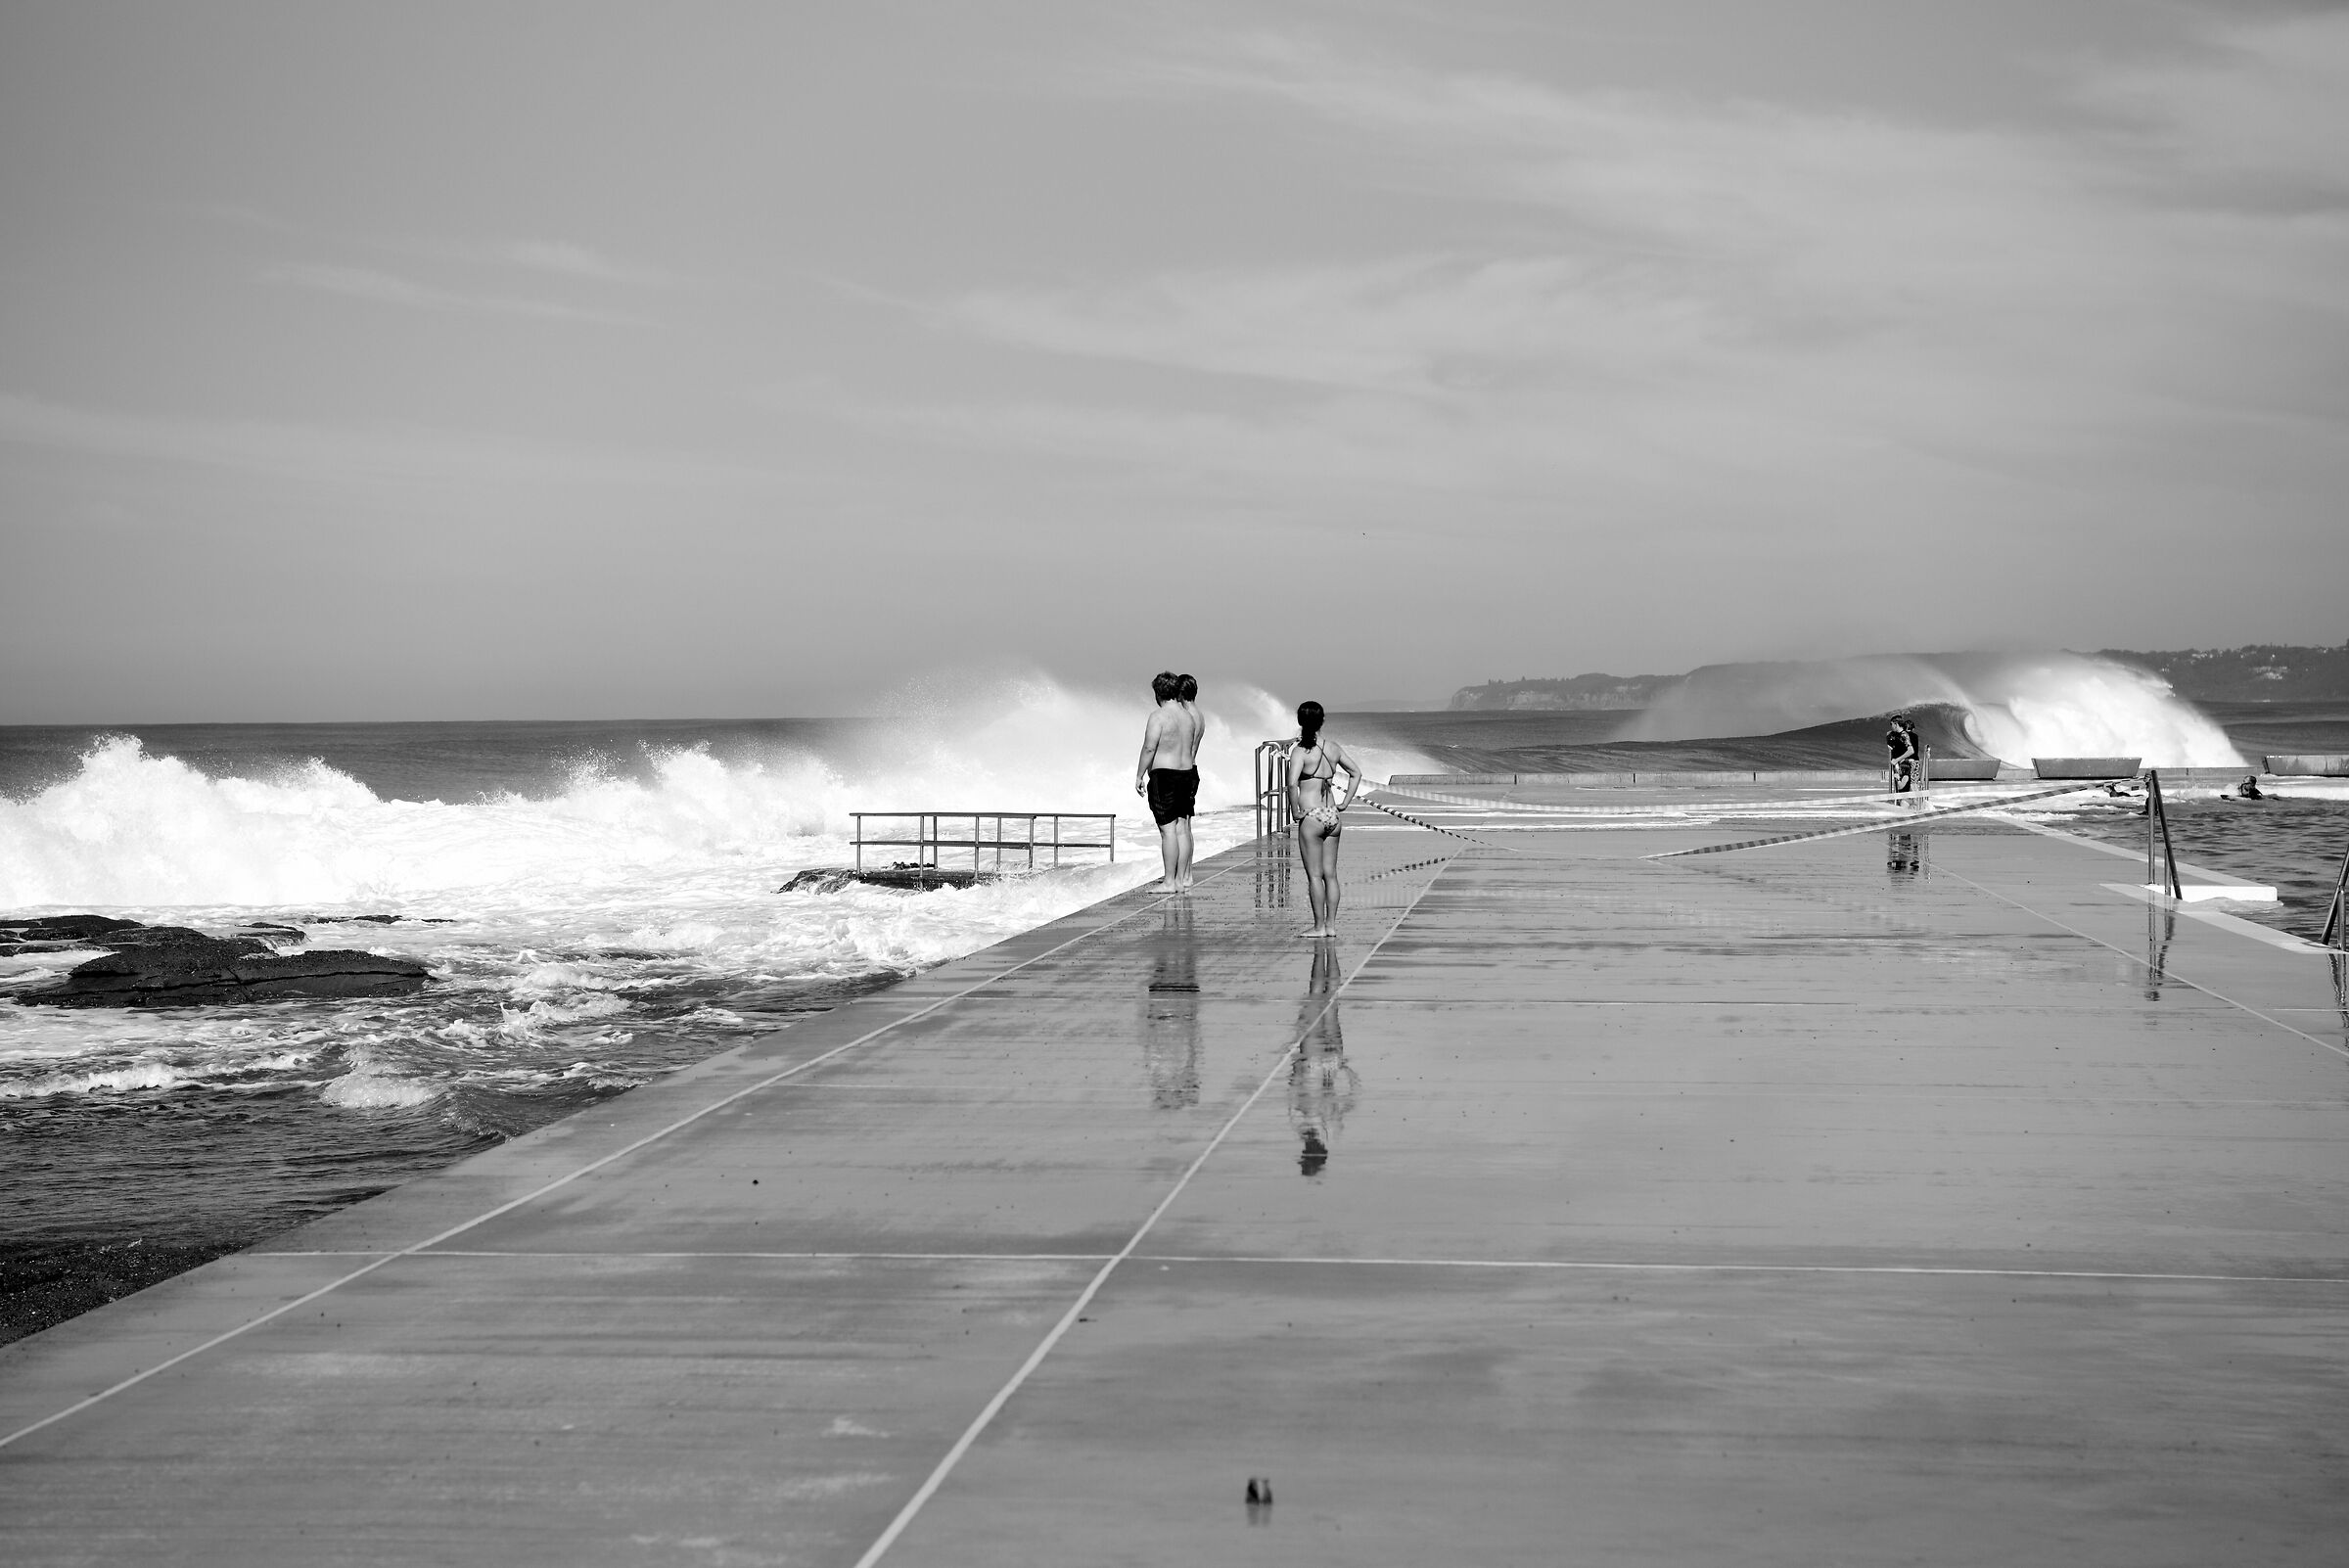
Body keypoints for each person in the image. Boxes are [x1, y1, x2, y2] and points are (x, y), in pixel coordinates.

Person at [1287, 700, 1362, 939]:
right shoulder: (1333, 748)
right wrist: (1345, 802)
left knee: (1315, 876)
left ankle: (1319, 926)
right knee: (1331, 874)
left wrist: (1294, 811)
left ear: (1300, 722)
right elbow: (1356, 773)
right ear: (1322, 721)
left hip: (1311, 816)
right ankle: (1330, 925)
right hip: (1333, 816)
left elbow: (1291, 784)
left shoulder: (1300, 751)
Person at [1135, 670, 1203, 891]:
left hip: (1165, 775)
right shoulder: (1188, 717)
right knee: (1182, 828)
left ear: (1158, 693)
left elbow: (1149, 747)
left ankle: (1169, 881)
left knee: (1168, 830)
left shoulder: (1158, 716)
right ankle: (1182, 880)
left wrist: (1139, 774)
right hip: (1186, 774)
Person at [1886, 714, 1919, 794]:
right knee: (1899, 788)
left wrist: (1897, 759)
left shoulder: (1904, 735)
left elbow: (1911, 751)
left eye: (1891, 724)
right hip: (1898, 765)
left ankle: (1915, 804)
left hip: (1906, 764)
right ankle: (1900, 804)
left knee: (1908, 787)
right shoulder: (1894, 734)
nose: (1891, 726)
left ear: (1896, 724)